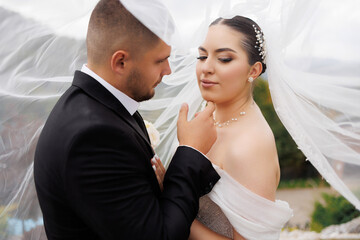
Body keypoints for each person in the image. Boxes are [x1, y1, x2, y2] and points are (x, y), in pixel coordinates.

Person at [33, 0, 220, 239]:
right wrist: (191, 150)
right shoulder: (93, 138)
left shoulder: (99, 108)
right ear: (120, 62)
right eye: (160, 60)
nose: (168, 70)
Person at [151, 16, 293, 240]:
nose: (206, 68)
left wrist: (169, 202)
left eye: (224, 59)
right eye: (202, 56)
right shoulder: (205, 120)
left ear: (254, 71)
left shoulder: (251, 145)